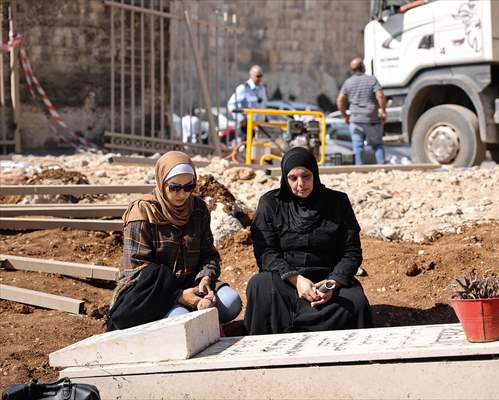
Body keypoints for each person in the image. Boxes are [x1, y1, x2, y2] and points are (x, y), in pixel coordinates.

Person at [107, 151, 242, 330]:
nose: (182, 194)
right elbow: (135, 271)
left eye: (189, 187)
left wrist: (205, 278)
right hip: (155, 291)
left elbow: (209, 254)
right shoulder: (142, 212)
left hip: (192, 284)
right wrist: (177, 295)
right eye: (174, 187)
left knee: (231, 302)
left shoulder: (198, 209)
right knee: (182, 320)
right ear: (162, 183)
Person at [244, 147, 373, 335]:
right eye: (293, 178)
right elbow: (266, 253)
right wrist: (296, 280)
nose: (300, 184)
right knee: (259, 286)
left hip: (328, 279)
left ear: (315, 174)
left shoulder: (337, 202)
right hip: (286, 280)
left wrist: (331, 283)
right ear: (284, 178)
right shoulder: (271, 204)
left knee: (356, 302)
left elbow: (351, 253)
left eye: (306, 176)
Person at [336, 57, 387, 165]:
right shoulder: (372, 79)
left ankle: (359, 168)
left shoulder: (348, 82)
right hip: (371, 118)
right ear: (363, 67)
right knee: (377, 144)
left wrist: (345, 115)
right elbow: (380, 95)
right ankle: (382, 166)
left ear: (352, 70)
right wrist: (383, 111)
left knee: (357, 145)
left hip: (355, 119)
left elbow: (340, 100)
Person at [227, 65, 268, 143]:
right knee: (246, 150)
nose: (260, 78)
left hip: (260, 127)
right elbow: (231, 104)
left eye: (261, 76)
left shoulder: (262, 88)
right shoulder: (243, 88)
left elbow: (263, 105)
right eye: (258, 76)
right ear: (251, 75)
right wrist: (241, 119)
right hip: (247, 127)